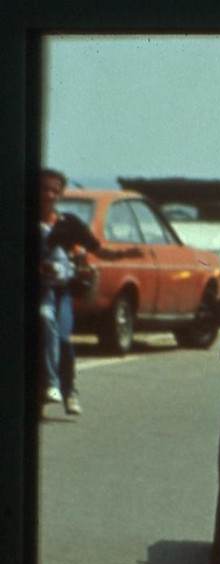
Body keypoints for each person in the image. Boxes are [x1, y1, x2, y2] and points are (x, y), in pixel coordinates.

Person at [39, 168, 100, 417]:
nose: (49, 195)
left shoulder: (65, 223)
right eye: (44, 189)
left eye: (55, 190)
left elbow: (86, 249)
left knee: (62, 338)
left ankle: (69, 390)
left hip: (60, 290)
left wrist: (81, 258)